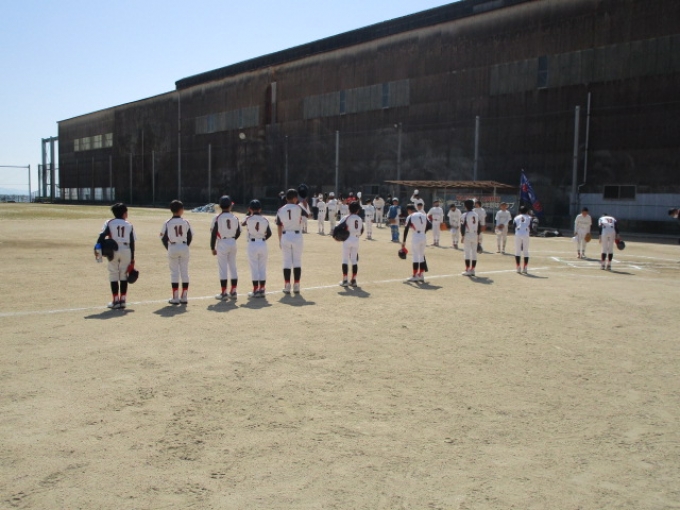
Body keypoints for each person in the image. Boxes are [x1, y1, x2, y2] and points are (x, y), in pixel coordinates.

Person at [95, 202, 136, 309]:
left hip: (113, 250)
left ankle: (115, 301)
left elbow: (102, 236)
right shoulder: (129, 224)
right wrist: (132, 258)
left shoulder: (109, 222)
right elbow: (132, 242)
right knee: (124, 274)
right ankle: (123, 300)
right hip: (126, 250)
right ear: (124, 213)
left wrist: (98, 250)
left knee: (113, 273)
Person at [160, 200, 194, 304]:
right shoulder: (185, 222)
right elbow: (190, 236)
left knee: (174, 273)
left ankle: (175, 298)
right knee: (185, 272)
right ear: (181, 210)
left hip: (173, 246)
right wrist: (185, 245)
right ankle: (184, 297)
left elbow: (163, 238)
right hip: (183, 246)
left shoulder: (167, 222)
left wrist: (169, 248)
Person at [276, 188, 308, 294]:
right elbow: (308, 215)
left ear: (286, 198)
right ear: (294, 198)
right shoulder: (299, 208)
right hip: (297, 236)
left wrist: (280, 239)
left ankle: (287, 285)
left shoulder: (280, 210)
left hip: (285, 235)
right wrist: (304, 204)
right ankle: (297, 285)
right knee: (297, 261)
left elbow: (279, 226)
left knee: (286, 261)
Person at [210, 195, 241, 301]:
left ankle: (224, 293)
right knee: (233, 267)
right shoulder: (234, 217)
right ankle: (233, 291)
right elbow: (238, 232)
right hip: (232, 242)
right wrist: (232, 239)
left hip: (222, 242)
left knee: (223, 268)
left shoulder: (217, 218)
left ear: (220, 206)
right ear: (230, 206)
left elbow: (213, 234)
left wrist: (212, 247)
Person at [242, 199, 272, 297]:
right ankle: (262, 289)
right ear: (260, 209)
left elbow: (242, 223)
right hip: (262, 243)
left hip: (252, 243)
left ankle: (255, 290)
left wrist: (250, 214)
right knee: (262, 267)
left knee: (254, 268)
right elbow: (269, 233)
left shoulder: (248, 219)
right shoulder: (265, 220)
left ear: (250, 209)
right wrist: (262, 239)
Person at [402, 203, 432, 282]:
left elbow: (406, 229)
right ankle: (420, 275)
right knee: (421, 256)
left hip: (416, 237)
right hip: (423, 236)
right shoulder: (423, 215)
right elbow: (430, 225)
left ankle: (415, 275)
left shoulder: (410, 216)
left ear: (409, 210)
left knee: (415, 256)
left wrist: (404, 241)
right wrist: (423, 231)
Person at [338, 201, 364, 287]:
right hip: (356, 239)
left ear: (349, 209)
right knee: (354, 260)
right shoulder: (359, 219)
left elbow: (338, 227)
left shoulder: (346, 217)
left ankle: (345, 280)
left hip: (347, 239)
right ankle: (353, 280)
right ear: (358, 210)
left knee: (345, 259)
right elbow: (361, 230)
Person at [460, 199, 479, 276]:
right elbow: (479, 225)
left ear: (465, 206)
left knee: (467, 252)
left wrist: (462, 236)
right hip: (475, 234)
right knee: (474, 253)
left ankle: (467, 269)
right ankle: (473, 270)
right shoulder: (476, 214)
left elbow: (462, 226)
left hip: (467, 234)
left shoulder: (465, 215)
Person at [513, 205, 532, 274]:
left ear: (519, 211)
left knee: (517, 251)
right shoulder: (529, 217)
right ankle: (525, 268)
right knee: (526, 251)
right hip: (526, 234)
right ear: (527, 211)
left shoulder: (516, 217)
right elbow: (531, 226)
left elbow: (514, 226)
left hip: (518, 234)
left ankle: (518, 267)